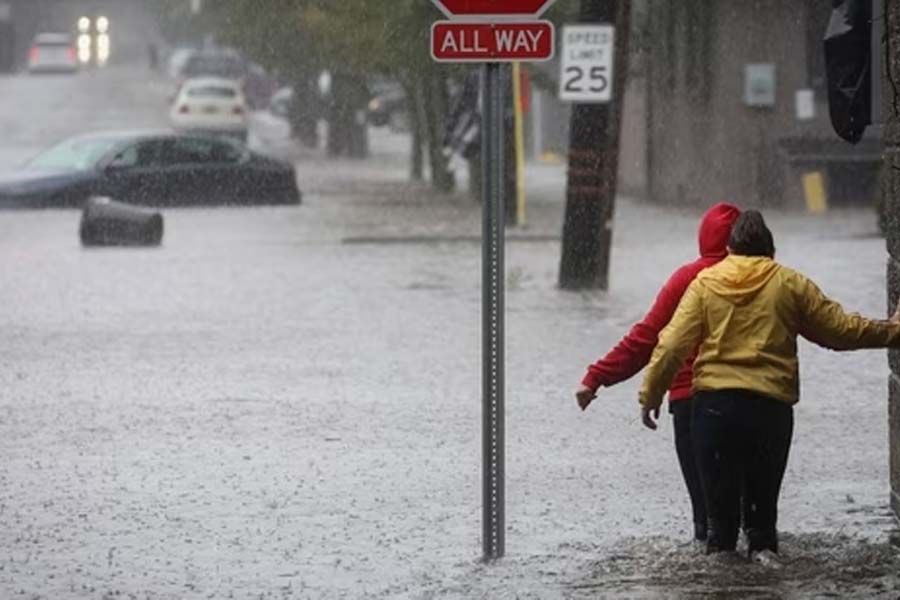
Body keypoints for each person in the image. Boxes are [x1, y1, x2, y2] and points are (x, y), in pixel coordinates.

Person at [638, 210, 900, 557]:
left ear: (730, 249)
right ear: (770, 251)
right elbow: (840, 331)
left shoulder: (704, 284)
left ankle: (717, 588)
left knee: (720, 533)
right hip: (769, 413)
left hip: (714, 412)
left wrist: (651, 394)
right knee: (762, 528)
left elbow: (671, 345)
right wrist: (893, 330)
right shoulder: (789, 283)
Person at [576, 202, 742, 543]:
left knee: (707, 515)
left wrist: (596, 377)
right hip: (748, 402)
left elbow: (646, 340)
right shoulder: (764, 278)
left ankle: (708, 584)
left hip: (691, 405)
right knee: (749, 512)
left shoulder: (686, 279)